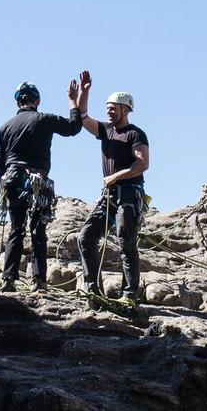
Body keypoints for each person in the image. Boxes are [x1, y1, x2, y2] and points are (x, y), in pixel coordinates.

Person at [0, 79, 82, 292]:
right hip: (37, 181)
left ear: (17, 104)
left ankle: (8, 279)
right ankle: (39, 280)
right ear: (37, 101)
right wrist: (72, 101)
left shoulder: (5, 127)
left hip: (13, 180)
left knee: (16, 229)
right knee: (37, 230)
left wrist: (3, 178)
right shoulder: (44, 119)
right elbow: (73, 127)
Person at [75, 70, 149, 309]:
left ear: (125, 110)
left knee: (126, 243)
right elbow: (83, 118)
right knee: (85, 237)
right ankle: (93, 290)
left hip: (128, 194)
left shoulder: (135, 134)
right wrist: (84, 92)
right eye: (107, 107)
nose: (108, 110)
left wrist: (116, 176)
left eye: (113, 107)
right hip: (109, 196)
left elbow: (142, 163)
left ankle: (129, 295)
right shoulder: (106, 131)